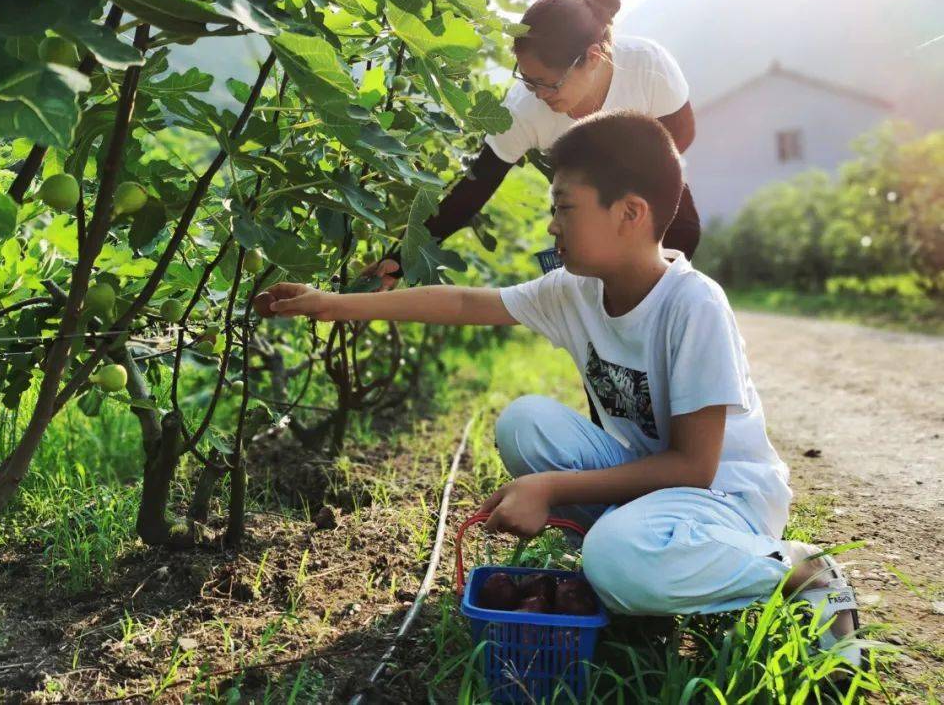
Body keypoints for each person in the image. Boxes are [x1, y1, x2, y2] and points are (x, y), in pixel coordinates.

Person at [263, 111, 860, 665]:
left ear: (629, 213)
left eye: (565, 208)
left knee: (614, 562)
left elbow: (695, 467)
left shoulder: (692, 304)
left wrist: (549, 486)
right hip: (652, 480)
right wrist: (333, 304)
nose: (552, 225)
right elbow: (470, 303)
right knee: (525, 421)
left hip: (725, 501)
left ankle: (795, 571)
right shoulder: (575, 288)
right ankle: (636, 559)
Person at [366, 0, 700, 293]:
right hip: (584, 218)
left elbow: (681, 137)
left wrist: (617, 186)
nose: (538, 93)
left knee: (661, 294)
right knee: (594, 308)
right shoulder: (524, 110)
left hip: (654, 203)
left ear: (593, 58)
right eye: (527, 80)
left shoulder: (647, 67)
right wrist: (400, 259)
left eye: (548, 83)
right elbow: (472, 191)